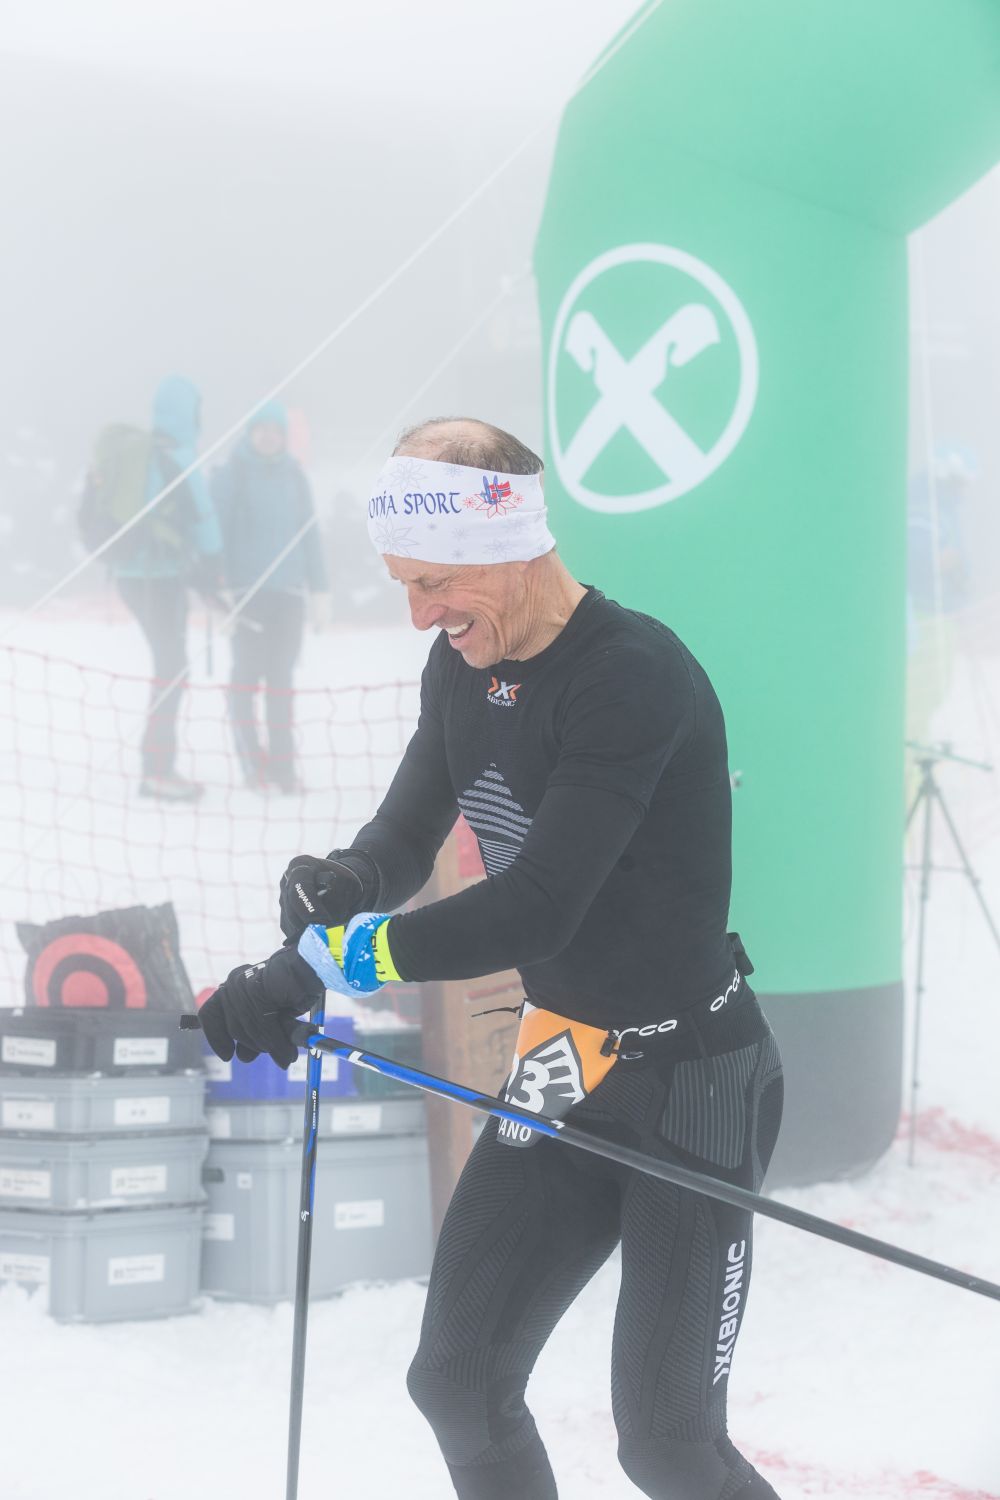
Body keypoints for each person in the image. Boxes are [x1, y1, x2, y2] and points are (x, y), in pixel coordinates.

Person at [200, 417, 784, 1500]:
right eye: (404, 587)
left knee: (667, 1444)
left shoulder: (630, 674)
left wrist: (332, 967)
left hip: (693, 1076)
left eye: (434, 584)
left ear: (507, 546)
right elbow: (404, 834)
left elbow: (538, 910)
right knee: (457, 1383)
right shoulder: (460, 665)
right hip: (565, 1062)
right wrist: (342, 884)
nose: (421, 615)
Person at [112, 374, 223, 801]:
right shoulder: (179, 456)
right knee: (172, 668)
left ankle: (157, 765)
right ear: (190, 414)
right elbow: (204, 520)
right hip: (159, 579)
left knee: (168, 665)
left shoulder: (142, 454)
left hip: (129, 575)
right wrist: (214, 569)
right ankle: (157, 769)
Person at [212, 400, 329, 792]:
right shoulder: (231, 474)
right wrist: (218, 591)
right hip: (245, 595)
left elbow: (309, 534)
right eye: (261, 429)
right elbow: (215, 534)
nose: (268, 437)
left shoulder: (294, 475)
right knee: (246, 678)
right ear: (250, 433)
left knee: (281, 682)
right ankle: (253, 765)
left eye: (275, 431)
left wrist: (320, 589)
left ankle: (283, 767)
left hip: (289, 594)